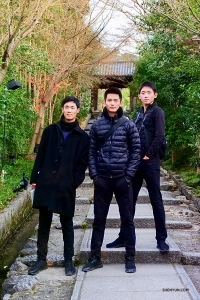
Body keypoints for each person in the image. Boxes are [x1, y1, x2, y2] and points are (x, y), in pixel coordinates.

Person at [28, 96, 89, 276]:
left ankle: (68, 260)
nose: (69, 110)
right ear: (62, 109)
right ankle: (41, 260)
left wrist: (73, 182)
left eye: (72, 107)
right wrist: (34, 179)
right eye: (66, 107)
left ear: (77, 110)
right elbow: (41, 156)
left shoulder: (82, 137)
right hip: (46, 181)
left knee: (67, 222)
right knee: (44, 222)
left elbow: (82, 164)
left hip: (66, 185)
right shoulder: (50, 131)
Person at [82, 87, 141, 273]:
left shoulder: (128, 125)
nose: (113, 103)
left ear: (120, 102)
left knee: (127, 219)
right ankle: (95, 258)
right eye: (110, 100)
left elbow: (136, 151)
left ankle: (130, 257)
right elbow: (90, 152)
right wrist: (95, 175)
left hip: (122, 179)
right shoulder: (98, 125)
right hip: (103, 180)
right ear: (104, 102)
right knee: (99, 219)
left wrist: (129, 175)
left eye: (116, 100)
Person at [106, 81, 169, 253]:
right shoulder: (139, 113)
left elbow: (160, 136)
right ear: (139, 95)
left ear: (155, 95)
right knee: (129, 200)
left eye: (149, 92)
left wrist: (148, 154)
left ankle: (161, 239)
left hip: (151, 161)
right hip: (136, 162)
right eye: (143, 92)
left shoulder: (158, 112)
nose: (146, 95)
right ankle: (123, 236)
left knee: (156, 199)